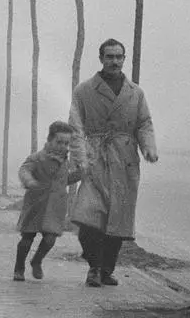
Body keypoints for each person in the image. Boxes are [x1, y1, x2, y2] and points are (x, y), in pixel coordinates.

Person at [67, 38, 158, 287]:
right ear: (101, 59)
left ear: (124, 59)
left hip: (125, 161)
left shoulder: (135, 93)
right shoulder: (84, 90)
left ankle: (106, 269)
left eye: (119, 57)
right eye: (109, 56)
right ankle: (94, 266)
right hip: (95, 159)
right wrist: (81, 159)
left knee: (117, 219)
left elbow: (144, 123)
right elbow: (75, 127)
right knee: (88, 218)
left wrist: (148, 147)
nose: (114, 61)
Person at [14, 121, 82, 281]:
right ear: (49, 140)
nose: (63, 146)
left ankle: (37, 261)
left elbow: (64, 180)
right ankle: (19, 267)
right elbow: (24, 169)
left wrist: (80, 174)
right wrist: (29, 181)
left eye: (66, 143)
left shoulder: (65, 162)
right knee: (26, 239)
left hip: (55, 207)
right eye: (59, 142)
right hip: (36, 204)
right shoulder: (37, 158)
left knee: (50, 239)